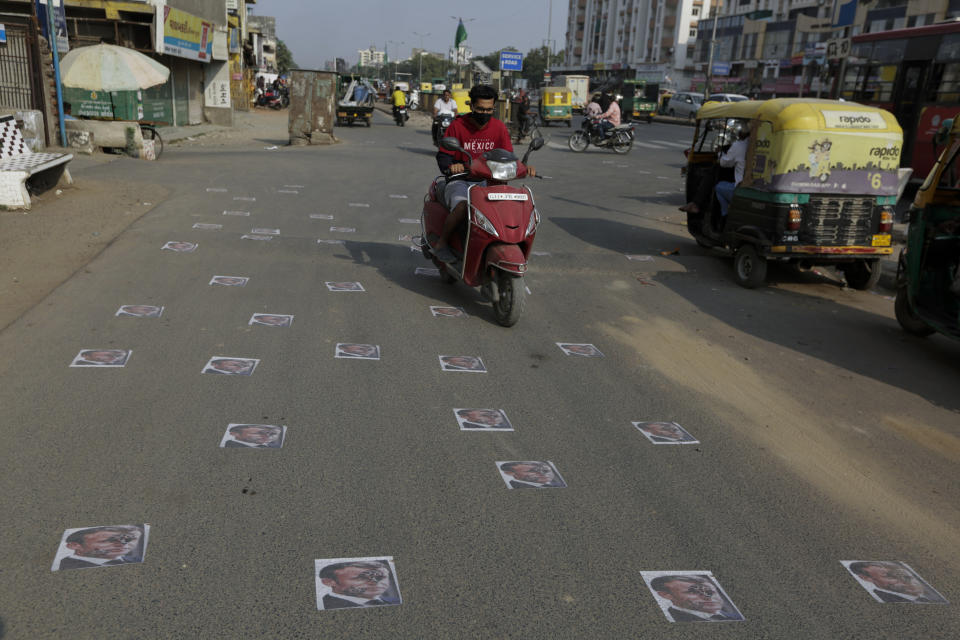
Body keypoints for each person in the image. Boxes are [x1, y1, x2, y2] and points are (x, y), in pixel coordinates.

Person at [433, 84, 534, 263]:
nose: (484, 113)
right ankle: (442, 243)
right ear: (471, 106)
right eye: (480, 109)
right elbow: (443, 156)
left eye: (489, 109)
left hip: (490, 183)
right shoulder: (458, 125)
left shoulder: (499, 128)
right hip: (461, 181)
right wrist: (452, 167)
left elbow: (510, 157)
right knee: (462, 206)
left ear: (494, 108)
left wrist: (524, 168)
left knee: (511, 208)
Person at [649, 574, 743, 622]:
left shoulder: (735, 617)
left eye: (710, 591)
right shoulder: (678, 619)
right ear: (665, 595)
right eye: (692, 591)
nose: (707, 597)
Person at [848, 562, 947, 603]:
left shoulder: (928, 594)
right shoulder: (884, 597)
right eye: (886, 575)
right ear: (866, 578)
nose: (901, 578)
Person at [55, 526, 144, 570]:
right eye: (107, 541)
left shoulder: (136, 559)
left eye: (128, 539)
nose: (123, 545)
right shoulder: (65, 566)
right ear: (74, 545)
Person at [319, 561, 399, 609]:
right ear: (328, 582)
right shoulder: (326, 605)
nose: (375, 582)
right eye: (362, 578)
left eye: (381, 577)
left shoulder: (393, 602)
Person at [499, 461, 566, 488]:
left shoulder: (557, 481)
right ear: (510, 473)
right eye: (531, 470)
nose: (541, 472)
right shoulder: (514, 484)